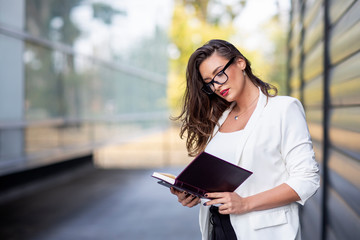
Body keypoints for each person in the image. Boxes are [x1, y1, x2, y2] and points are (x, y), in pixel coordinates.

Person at [170, 39, 320, 240]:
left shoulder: (284, 109)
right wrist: (193, 191)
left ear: (240, 62)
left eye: (219, 73)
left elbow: (307, 180)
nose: (216, 85)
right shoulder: (218, 119)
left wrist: (246, 203)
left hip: (264, 232)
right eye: (209, 82)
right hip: (217, 229)